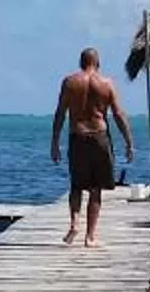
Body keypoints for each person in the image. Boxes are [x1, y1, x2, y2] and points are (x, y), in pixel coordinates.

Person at [50, 46, 134, 247]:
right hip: (99, 137)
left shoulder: (70, 82)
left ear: (81, 62)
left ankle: (74, 223)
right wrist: (129, 142)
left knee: (76, 185)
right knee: (96, 189)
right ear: (98, 63)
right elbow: (119, 115)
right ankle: (90, 236)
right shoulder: (107, 83)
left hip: (77, 136)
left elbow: (60, 113)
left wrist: (54, 142)